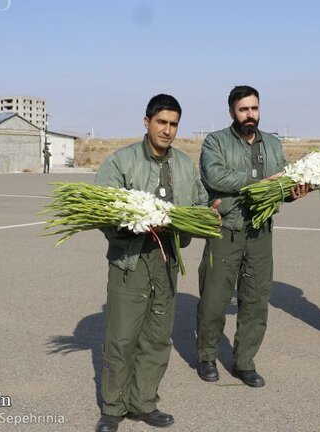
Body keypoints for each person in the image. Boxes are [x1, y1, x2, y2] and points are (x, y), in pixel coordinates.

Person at [93, 94, 215, 432]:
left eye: (174, 124)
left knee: (158, 336)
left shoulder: (184, 164)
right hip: (130, 260)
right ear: (147, 122)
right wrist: (135, 222)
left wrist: (210, 212)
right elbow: (102, 210)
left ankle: (144, 402)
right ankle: (113, 408)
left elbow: (201, 202)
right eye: (161, 122)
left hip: (166, 261)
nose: (168, 130)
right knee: (121, 337)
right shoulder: (122, 161)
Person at [195, 85, 309, 387]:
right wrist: (259, 182)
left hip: (260, 234)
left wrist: (293, 192)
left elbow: (282, 183)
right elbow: (214, 176)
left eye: (254, 109)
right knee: (214, 299)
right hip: (225, 231)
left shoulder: (272, 144)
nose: (250, 115)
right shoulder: (215, 142)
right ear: (232, 111)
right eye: (244, 109)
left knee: (256, 300)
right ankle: (206, 356)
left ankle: (244, 361)